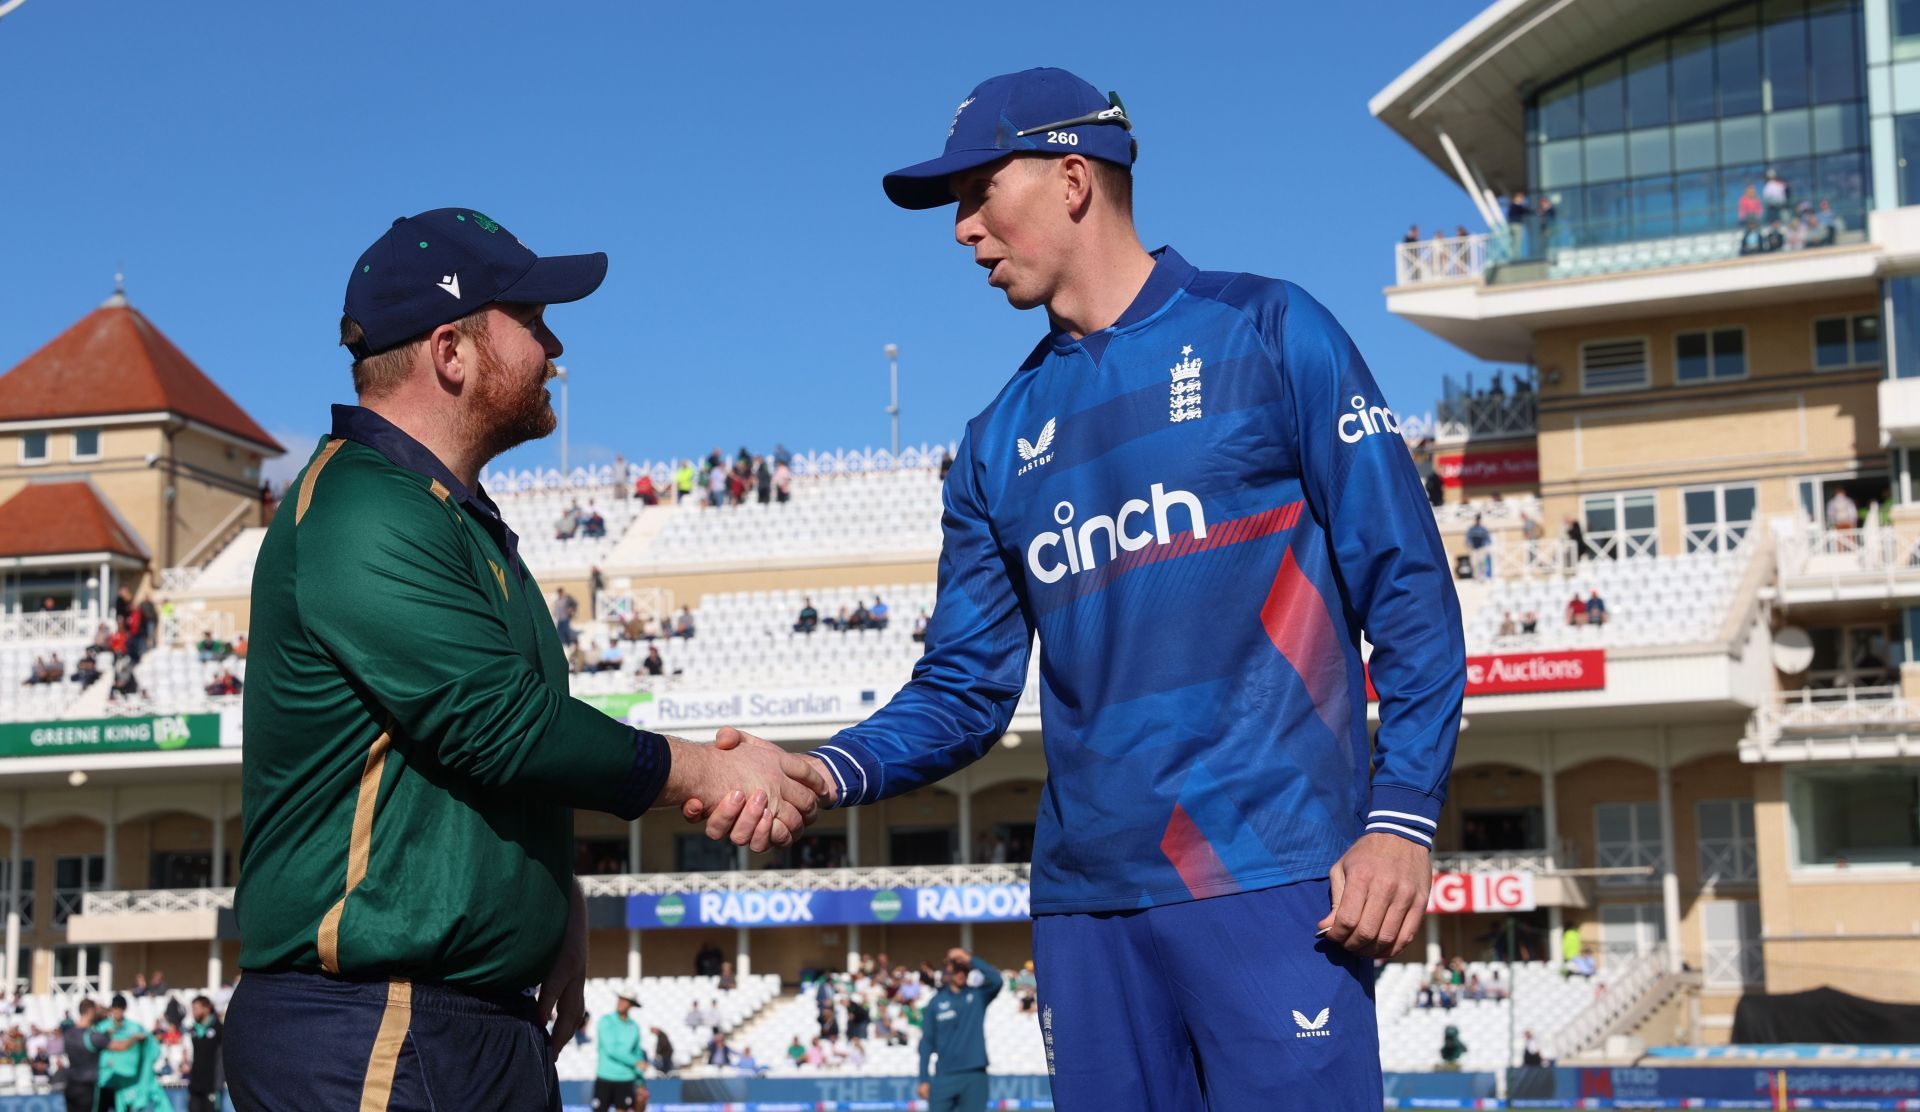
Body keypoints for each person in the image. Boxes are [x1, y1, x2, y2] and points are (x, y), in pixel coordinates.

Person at [692, 67, 1463, 1111]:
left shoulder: (1273, 332)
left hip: (1273, 876)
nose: (963, 229)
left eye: (977, 193)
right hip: (1083, 909)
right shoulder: (996, 441)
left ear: (1070, 176)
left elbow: (1408, 586)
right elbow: (965, 688)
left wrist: (1403, 815)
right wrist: (825, 771)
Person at [226, 208, 825, 1109]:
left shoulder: (451, 516)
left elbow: (477, 765)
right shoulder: (359, 504)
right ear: (450, 351)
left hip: (460, 1020)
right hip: (371, 1024)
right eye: (533, 321)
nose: (556, 346)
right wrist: (705, 765)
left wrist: (553, 897)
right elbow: (497, 727)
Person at [916, 949, 1001, 1112]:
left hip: (974, 1074)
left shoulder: (977, 996)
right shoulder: (936, 1003)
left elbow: (996, 981)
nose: (960, 974)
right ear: (947, 970)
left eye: (964, 969)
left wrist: (968, 958)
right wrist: (923, 1079)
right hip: (945, 1074)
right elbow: (926, 1043)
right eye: (956, 969)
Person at [96, 995, 165, 1111]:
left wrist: (144, 1040)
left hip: (127, 1082)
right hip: (107, 1079)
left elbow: (151, 1047)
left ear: (124, 1009)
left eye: (120, 1008)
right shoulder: (102, 1028)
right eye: (115, 1008)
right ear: (111, 1009)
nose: (117, 1011)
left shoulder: (134, 1028)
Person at [593, 988, 646, 1112]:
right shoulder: (605, 1021)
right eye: (620, 998)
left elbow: (637, 1053)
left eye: (625, 1000)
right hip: (605, 1076)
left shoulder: (634, 1026)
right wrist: (635, 1062)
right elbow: (611, 1050)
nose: (621, 1002)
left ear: (631, 1005)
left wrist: (640, 1081)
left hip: (626, 1078)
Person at [59, 999, 114, 1112]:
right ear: (90, 1011)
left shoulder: (68, 1033)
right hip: (87, 1087)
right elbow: (117, 1046)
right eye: (95, 1010)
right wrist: (133, 1039)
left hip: (71, 1084)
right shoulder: (92, 1036)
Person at [183, 995, 224, 1112]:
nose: (194, 1012)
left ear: (207, 1008)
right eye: (193, 1009)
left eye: (196, 1008)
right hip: (195, 1086)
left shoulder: (219, 1029)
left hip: (212, 1086)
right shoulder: (193, 1030)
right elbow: (188, 1051)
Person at [1465, 514, 1492, 578]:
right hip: (1474, 548)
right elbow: (1468, 538)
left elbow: (1488, 539)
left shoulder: (1483, 529)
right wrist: (1469, 545)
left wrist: (1485, 544)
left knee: (1482, 562)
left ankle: (1482, 576)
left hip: (1481, 548)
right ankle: (1476, 577)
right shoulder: (1471, 529)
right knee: (1474, 563)